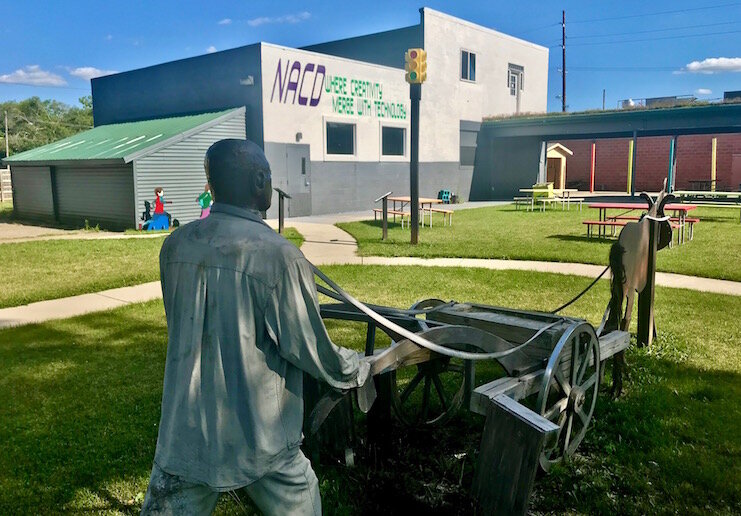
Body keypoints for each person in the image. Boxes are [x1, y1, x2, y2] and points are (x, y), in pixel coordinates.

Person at [141, 139, 372, 515]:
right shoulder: (279, 256)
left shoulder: (175, 246)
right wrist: (354, 366)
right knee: (302, 502)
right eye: (268, 177)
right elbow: (309, 348)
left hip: (184, 435)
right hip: (260, 440)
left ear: (211, 183)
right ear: (260, 180)